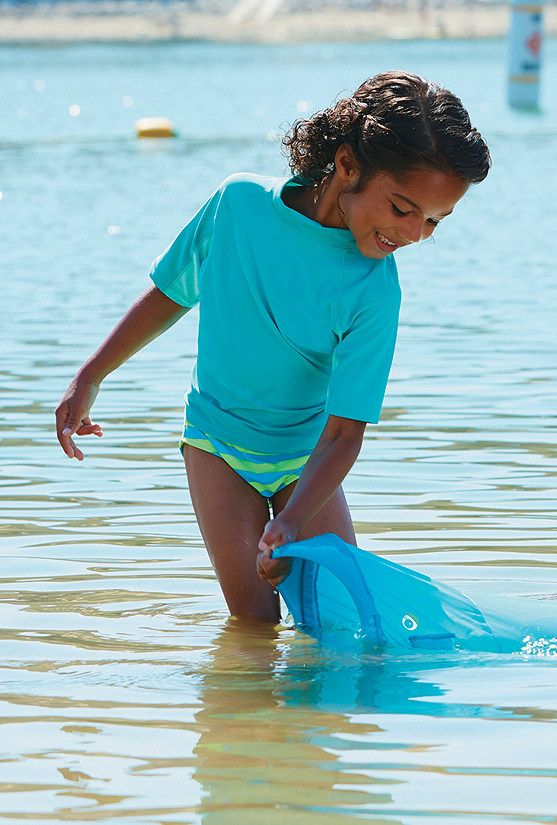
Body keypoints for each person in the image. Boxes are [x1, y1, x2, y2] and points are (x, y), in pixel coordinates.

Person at [55, 70, 490, 624]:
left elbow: (344, 433)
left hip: (309, 462)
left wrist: (291, 520)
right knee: (255, 625)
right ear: (348, 164)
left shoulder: (375, 289)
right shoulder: (237, 206)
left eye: (435, 221)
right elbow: (171, 293)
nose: (414, 234)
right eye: (403, 209)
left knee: (342, 626)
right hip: (218, 448)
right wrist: (92, 374)